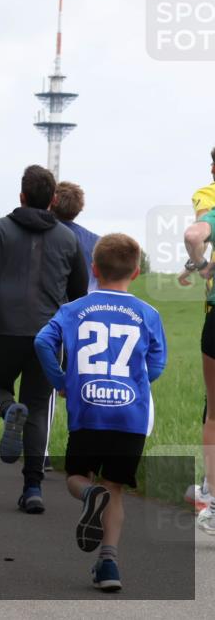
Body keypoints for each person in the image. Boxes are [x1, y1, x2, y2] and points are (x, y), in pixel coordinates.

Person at [34, 234, 167, 591]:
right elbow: (157, 363)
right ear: (136, 272)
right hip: (130, 418)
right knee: (115, 488)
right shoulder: (149, 314)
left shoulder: (72, 310)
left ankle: (88, 495)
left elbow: (42, 341)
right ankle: (108, 564)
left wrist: (61, 380)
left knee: (78, 475)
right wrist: (137, 383)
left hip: (88, 412)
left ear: (94, 269)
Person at [0, 165, 88, 514]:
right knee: (39, 409)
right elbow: (79, 290)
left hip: (4, 328)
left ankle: (8, 411)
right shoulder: (68, 239)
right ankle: (33, 488)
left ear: (21, 195)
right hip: (49, 336)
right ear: (53, 200)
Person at [181, 154, 215, 533]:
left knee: (213, 413)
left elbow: (197, 234)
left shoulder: (208, 195)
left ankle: (210, 493)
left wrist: (200, 264)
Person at [53, 182, 101, 293]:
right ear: (80, 207)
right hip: (87, 304)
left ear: (53, 202)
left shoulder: (44, 235)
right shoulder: (97, 242)